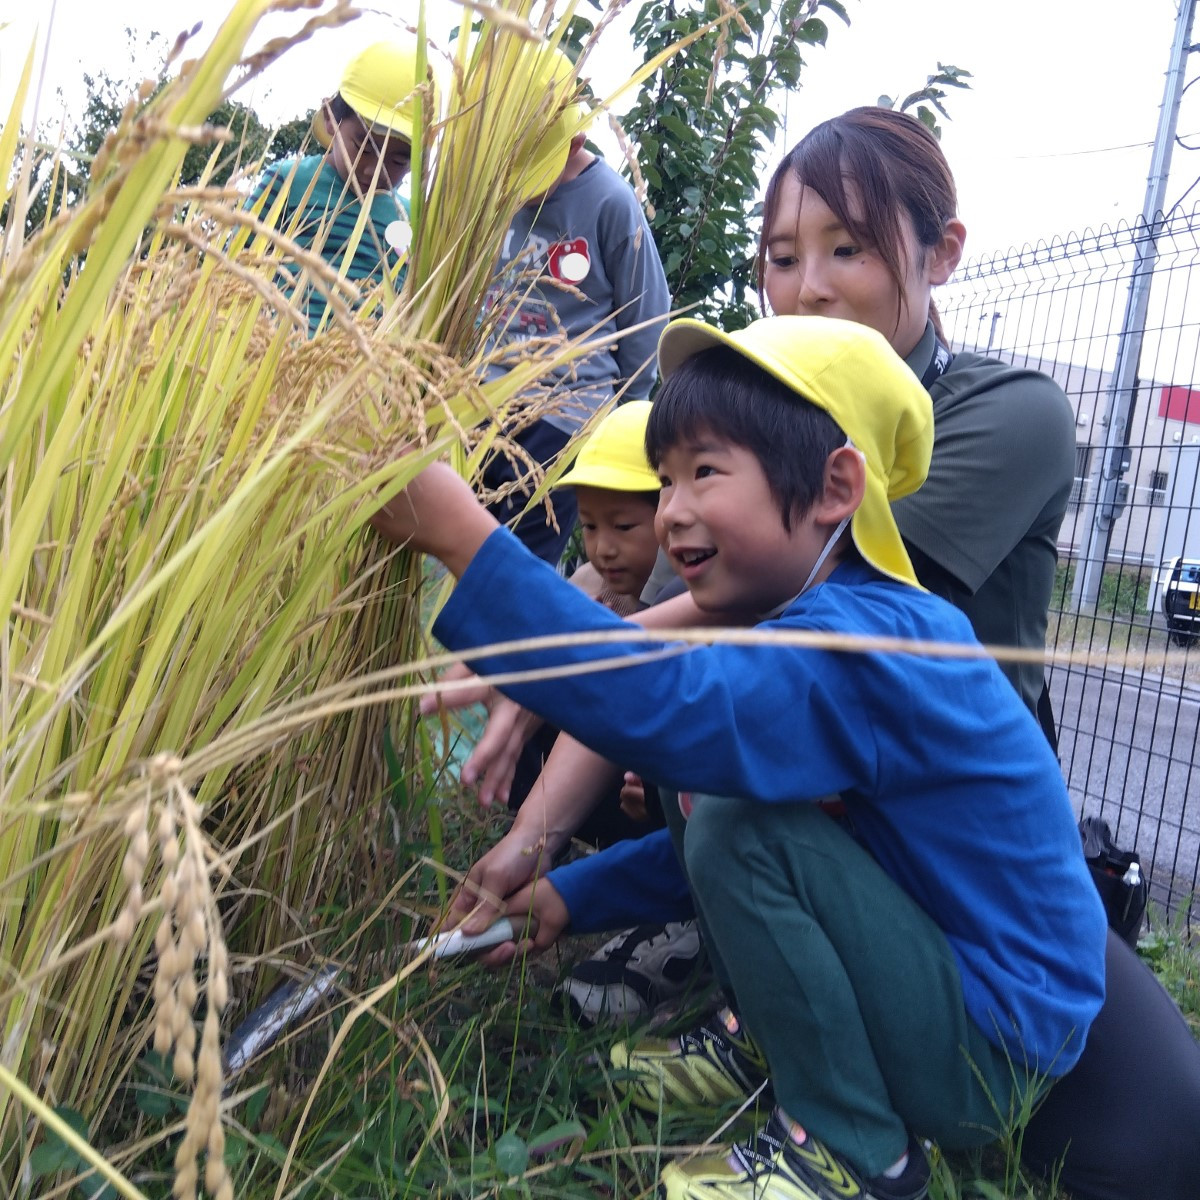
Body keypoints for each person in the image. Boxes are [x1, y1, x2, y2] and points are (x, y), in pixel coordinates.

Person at [371, 313, 1108, 1200]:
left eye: (706, 472)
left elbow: (667, 719)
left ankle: (855, 1149)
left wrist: (466, 539)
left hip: (990, 1050)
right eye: (665, 479)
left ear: (836, 487)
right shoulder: (816, 627)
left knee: (722, 802)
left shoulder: (863, 649)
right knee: (712, 792)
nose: (673, 509)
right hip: (938, 985)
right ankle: (776, 1034)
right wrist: (571, 894)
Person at [478, 47, 671, 563]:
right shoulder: (494, 191)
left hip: (567, 410)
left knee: (520, 562)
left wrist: (625, 418)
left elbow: (646, 312)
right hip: (483, 399)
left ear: (576, 138)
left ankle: (513, 643)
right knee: (458, 546)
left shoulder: (609, 200)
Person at [507, 400, 669, 853]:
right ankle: (528, 837)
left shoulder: (692, 602)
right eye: (591, 526)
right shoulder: (595, 585)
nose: (604, 548)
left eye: (622, 526)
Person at [249, 41, 424, 337]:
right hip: (275, 359)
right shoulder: (288, 183)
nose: (375, 169)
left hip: (364, 373)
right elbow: (236, 268)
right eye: (364, 146)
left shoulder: (407, 218)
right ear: (331, 119)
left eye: (398, 159)